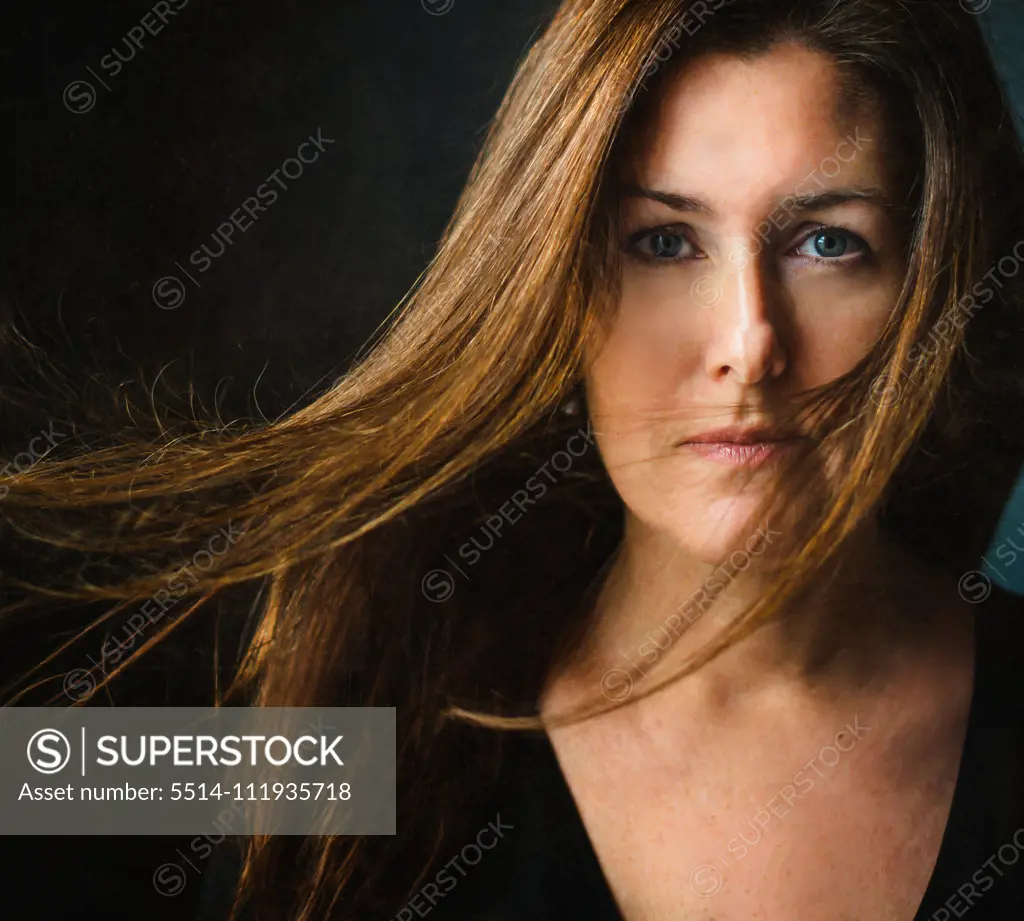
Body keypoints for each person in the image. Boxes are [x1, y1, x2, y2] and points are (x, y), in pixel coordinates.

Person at [4, 0, 1024, 919]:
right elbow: (42, 777)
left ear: (932, 292)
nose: (749, 342)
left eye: (828, 243)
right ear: (554, 294)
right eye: (663, 242)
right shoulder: (361, 722)